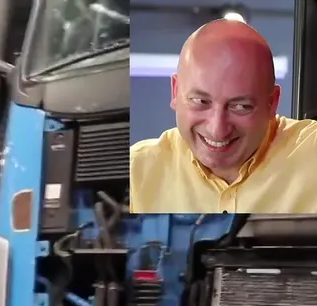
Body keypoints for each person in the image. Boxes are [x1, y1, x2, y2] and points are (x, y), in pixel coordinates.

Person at [130, 19, 317, 214]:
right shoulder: (136, 172)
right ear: (175, 91)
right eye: (201, 101)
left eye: (240, 106)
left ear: (272, 103)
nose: (217, 130)